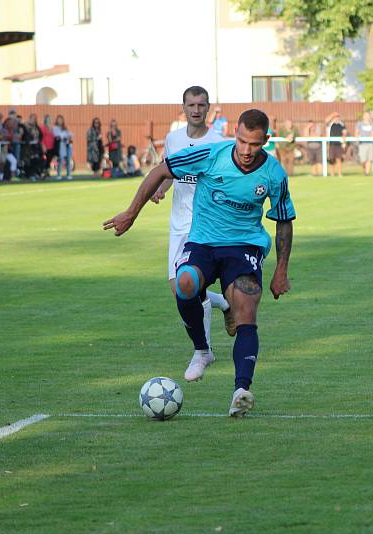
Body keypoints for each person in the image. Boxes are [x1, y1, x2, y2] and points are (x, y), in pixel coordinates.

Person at [105, 108, 295, 418]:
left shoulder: (274, 174)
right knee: (184, 283)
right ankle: (202, 350)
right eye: (242, 141)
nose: (247, 151)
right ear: (235, 134)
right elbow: (161, 171)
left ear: (267, 141)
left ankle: (241, 391)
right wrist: (130, 213)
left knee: (247, 307)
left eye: (255, 145)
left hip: (244, 245)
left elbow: (284, 221)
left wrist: (281, 270)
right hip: (204, 242)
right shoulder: (212, 154)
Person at [149, 86, 233, 362]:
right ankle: (221, 302)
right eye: (191, 105)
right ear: (183, 108)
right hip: (178, 224)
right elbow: (171, 171)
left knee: (194, 286)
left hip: (206, 226)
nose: (196, 110)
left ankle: (204, 350)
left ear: (208, 107)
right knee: (178, 289)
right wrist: (162, 187)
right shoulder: (173, 139)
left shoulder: (219, 142)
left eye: (201, 105)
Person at [326, 112, 347, 176]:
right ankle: (332, 174)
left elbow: (344, 133)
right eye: (335, 117)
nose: (336, 118)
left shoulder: (341, 124)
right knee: (331, 160)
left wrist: (344, 142)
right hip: (331, 144)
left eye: (337, 117)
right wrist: (332, 114)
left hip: (339, 144)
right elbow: (326, 120)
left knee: (339, 159)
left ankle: (339, 174)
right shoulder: (330, 124)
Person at [53, 114, 73, 180]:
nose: (60, 121)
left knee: (68, 159)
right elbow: (58, 136)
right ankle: (59, 174)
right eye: (59, 120)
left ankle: (69, 174)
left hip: (67, 145)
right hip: (61, 145)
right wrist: (65, 137)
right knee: (60, 159)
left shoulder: (65, 128)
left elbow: (70, 134)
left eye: (61, 120)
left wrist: (68, 136)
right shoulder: (55, 128)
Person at [356, 111, 373, 176]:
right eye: (365, 115)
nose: (367, 117)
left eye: (368, 115)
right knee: (363, 160)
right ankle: (365, 169)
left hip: (370, 143)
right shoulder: (359, 124)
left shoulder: (372, 124)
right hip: (362, 143)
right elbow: (356, 132)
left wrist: (371, 136)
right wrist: (358, 136)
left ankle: (367, 173)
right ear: (363, 116)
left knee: (369, 159)